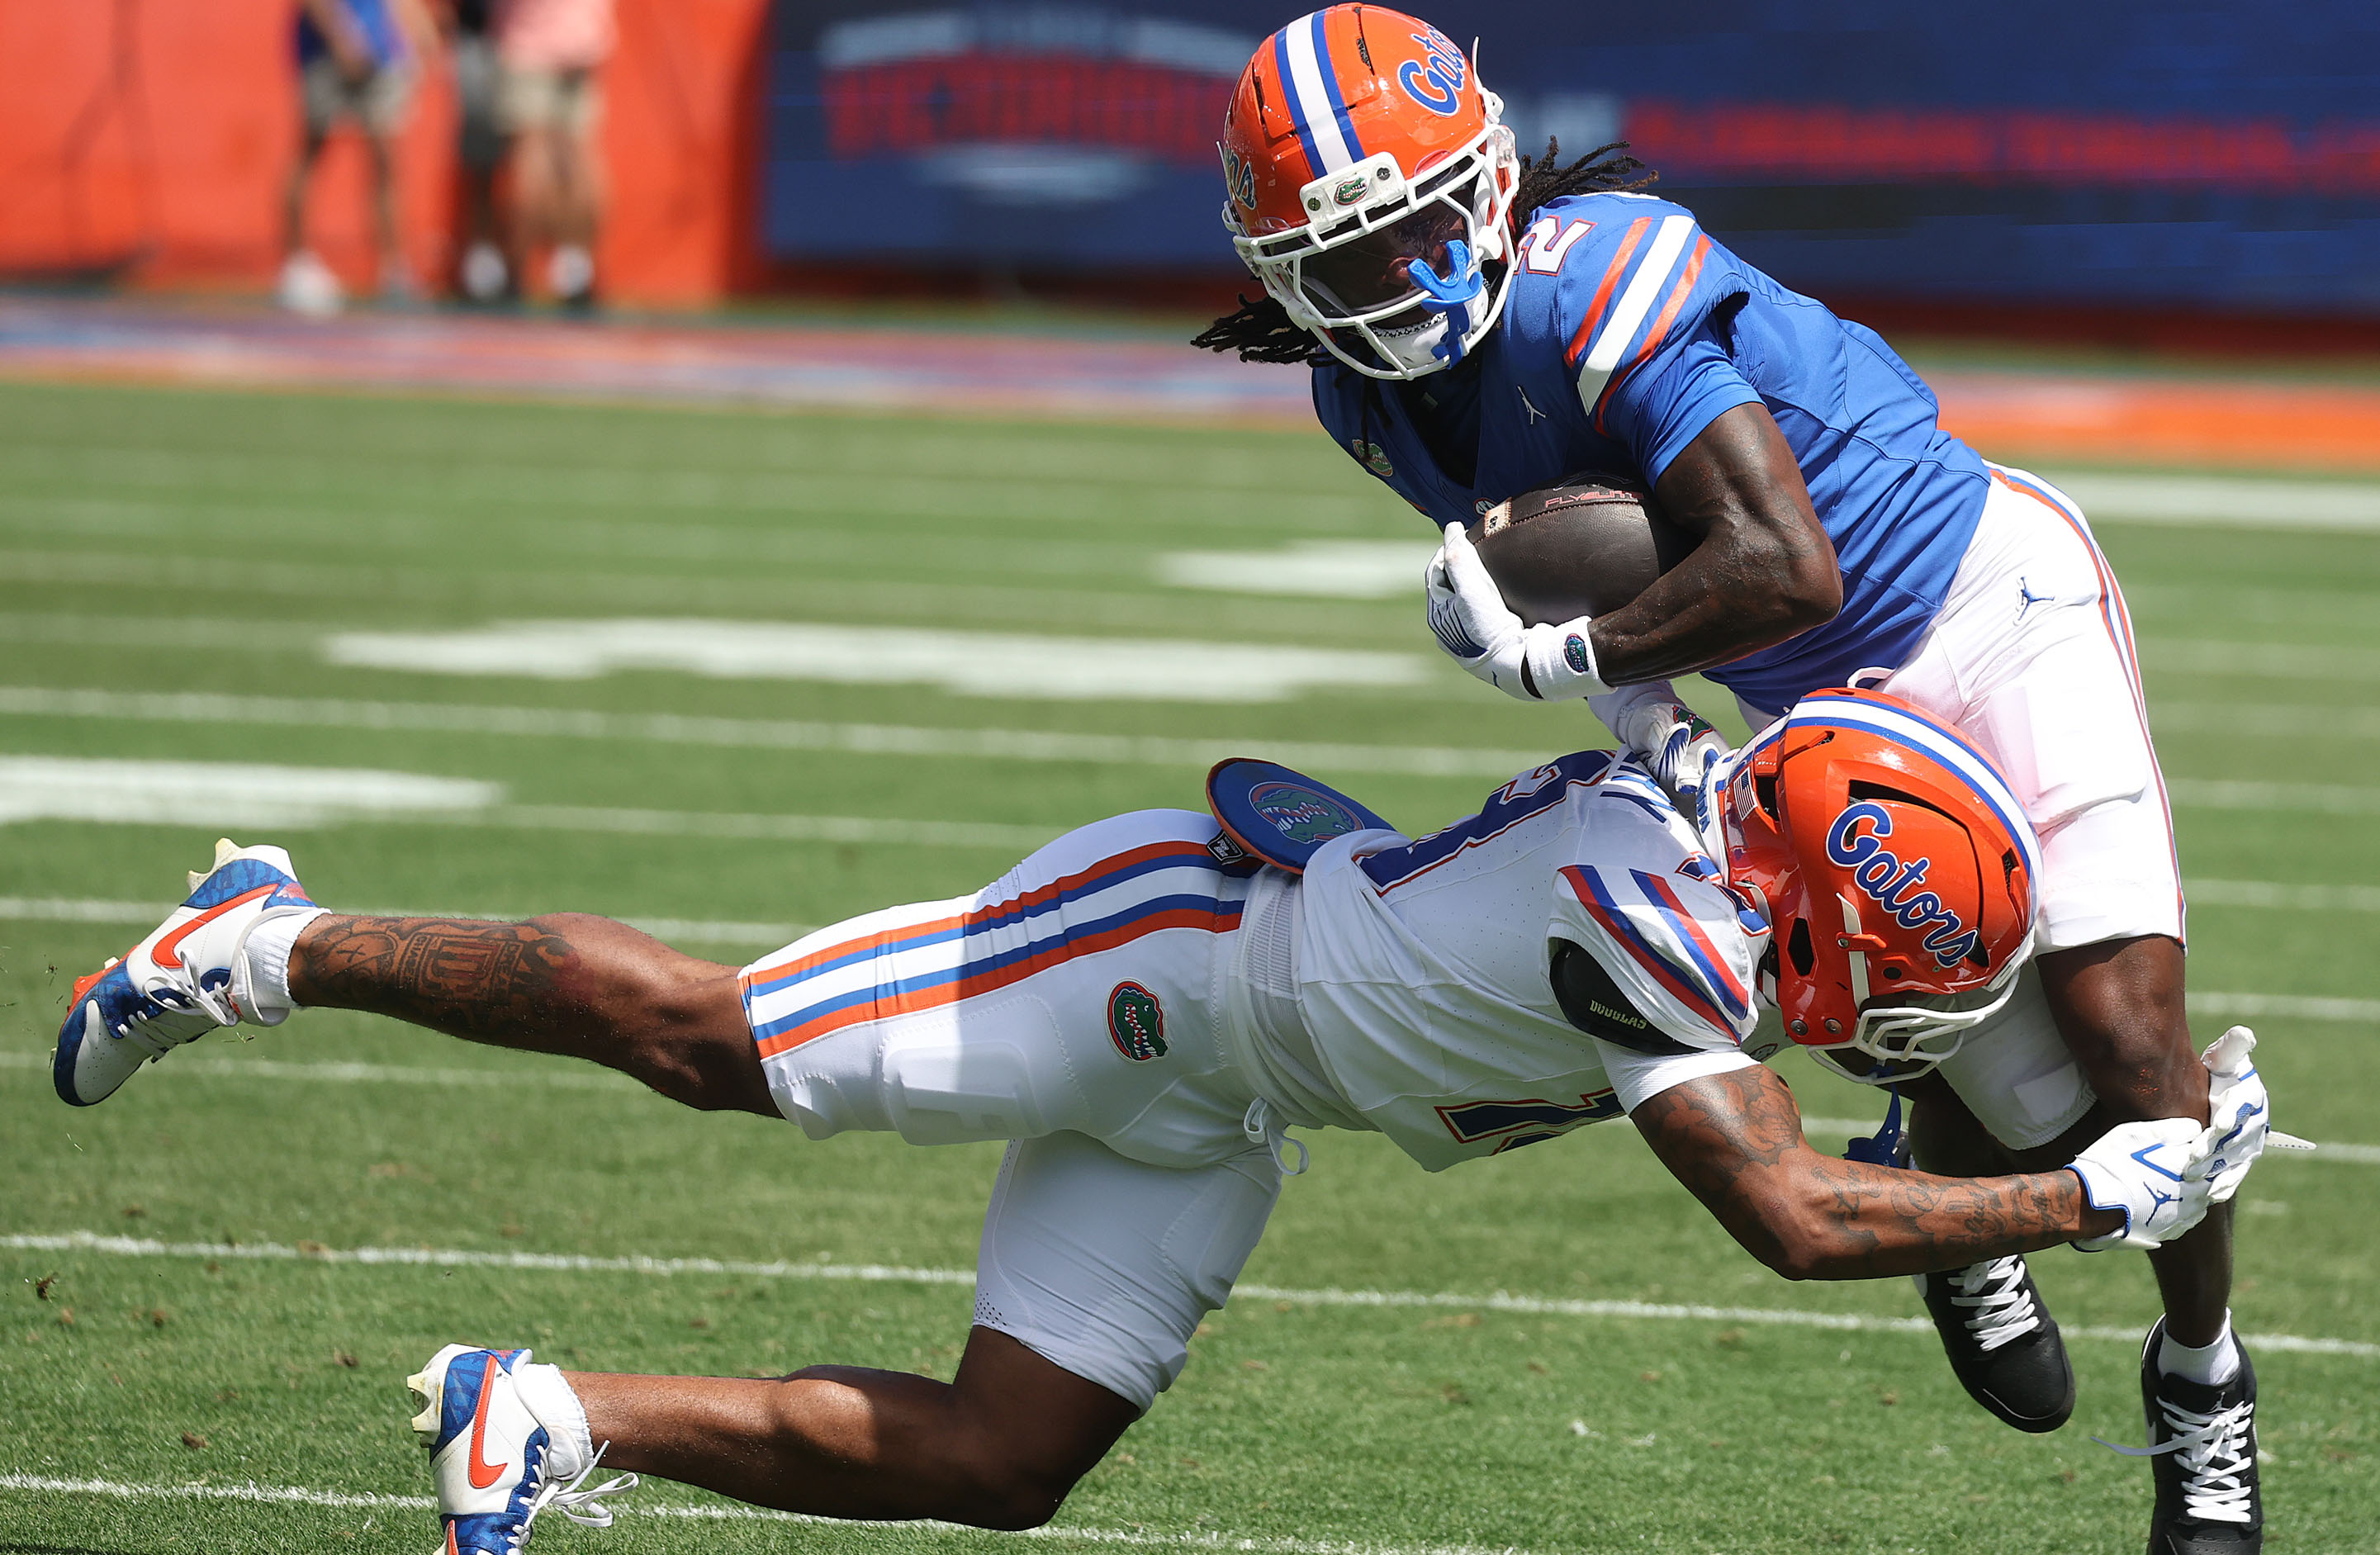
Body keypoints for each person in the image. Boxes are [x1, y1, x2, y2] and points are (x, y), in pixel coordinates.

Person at [52, 689, 2266, 1553]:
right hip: (1160, 958)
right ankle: (266, 937)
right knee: (705, 1037)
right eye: (1893, 965)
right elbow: (1782, 1211)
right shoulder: (1660, 918)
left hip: (1235, 1094)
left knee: (1013, 1462)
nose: (1903, 1010)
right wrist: (2075, 1194)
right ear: (1804, 896)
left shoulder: (1719, 836)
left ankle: (548, 1416)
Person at [1195, 11, 2261, 1549]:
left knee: (2128, 1040)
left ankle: (2201, 1383)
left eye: (1429, 221)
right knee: (1939, 1029)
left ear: (1490, 176)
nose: (1413, 278)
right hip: (1792, 676)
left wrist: (1565, 670)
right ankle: (1955, 1205)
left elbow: (1784, 559)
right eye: (1358, 255)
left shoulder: (1603, 274)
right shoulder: (1364, 398)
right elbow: (1598, 562)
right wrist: (1643, 718)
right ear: (1284, 269)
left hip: (1973, 595)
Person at [282, 0, 439, 315]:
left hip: (381, 51)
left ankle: (394, 271)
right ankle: (297, 265)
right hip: (323, 50)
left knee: (386, 159)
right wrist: (341, 36)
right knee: (311, 152)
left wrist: (420, 30)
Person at [494, 0, 615, 309]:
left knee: (532, 160)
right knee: (580, 160)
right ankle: (577, 268)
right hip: (583, 43)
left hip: (529, 45)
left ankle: (517, 271)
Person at [445, 0, 514, 304]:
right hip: (481, 37)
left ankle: (515, 262)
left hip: (525, 42)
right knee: (480, 155)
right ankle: (483, 255)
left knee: (525, 158)